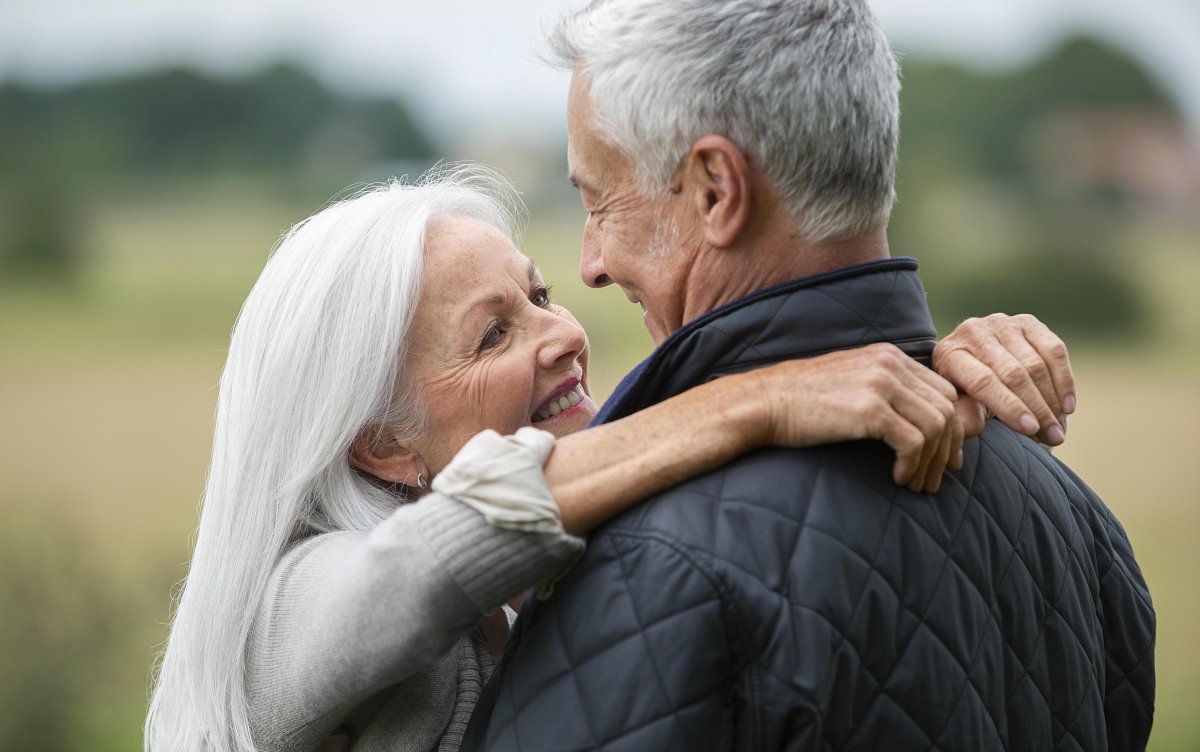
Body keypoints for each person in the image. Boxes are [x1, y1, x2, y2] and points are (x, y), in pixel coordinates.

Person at [144, 164, 1076, 752]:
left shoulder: (577, 518)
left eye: (540, 294)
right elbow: (436, 552)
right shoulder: (285, 613)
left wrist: (936, 367)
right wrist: (768, 398)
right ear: (383, 446)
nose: (563, 334)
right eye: (493, 334)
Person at [461, 1, 1156, 750]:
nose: (592, 264)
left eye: (601, 202)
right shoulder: (1079, 519)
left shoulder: (647, 561)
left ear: (716, 190)